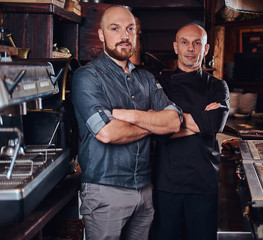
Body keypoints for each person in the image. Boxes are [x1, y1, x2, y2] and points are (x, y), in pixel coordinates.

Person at [71, 5, 182, 240]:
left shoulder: (147, 79)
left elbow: (173, 122)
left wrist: (131, 116)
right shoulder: (87, 76)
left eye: (130, 29)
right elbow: (107, 132)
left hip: (144, 189)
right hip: (105, 191)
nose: (124, 35)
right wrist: (153, 121)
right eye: (115, 28)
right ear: (101, 35)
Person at [151, 24, 230, 240]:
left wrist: (171, 122)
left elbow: (214, 124)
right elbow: (157, 131)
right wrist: (200, 121)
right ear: (176, 47)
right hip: (167, 182)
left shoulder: (217, 86)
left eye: (197, 43)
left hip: (204, 181)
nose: (190, 48)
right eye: (184, 42)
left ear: (206, 49)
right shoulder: (160, 84)